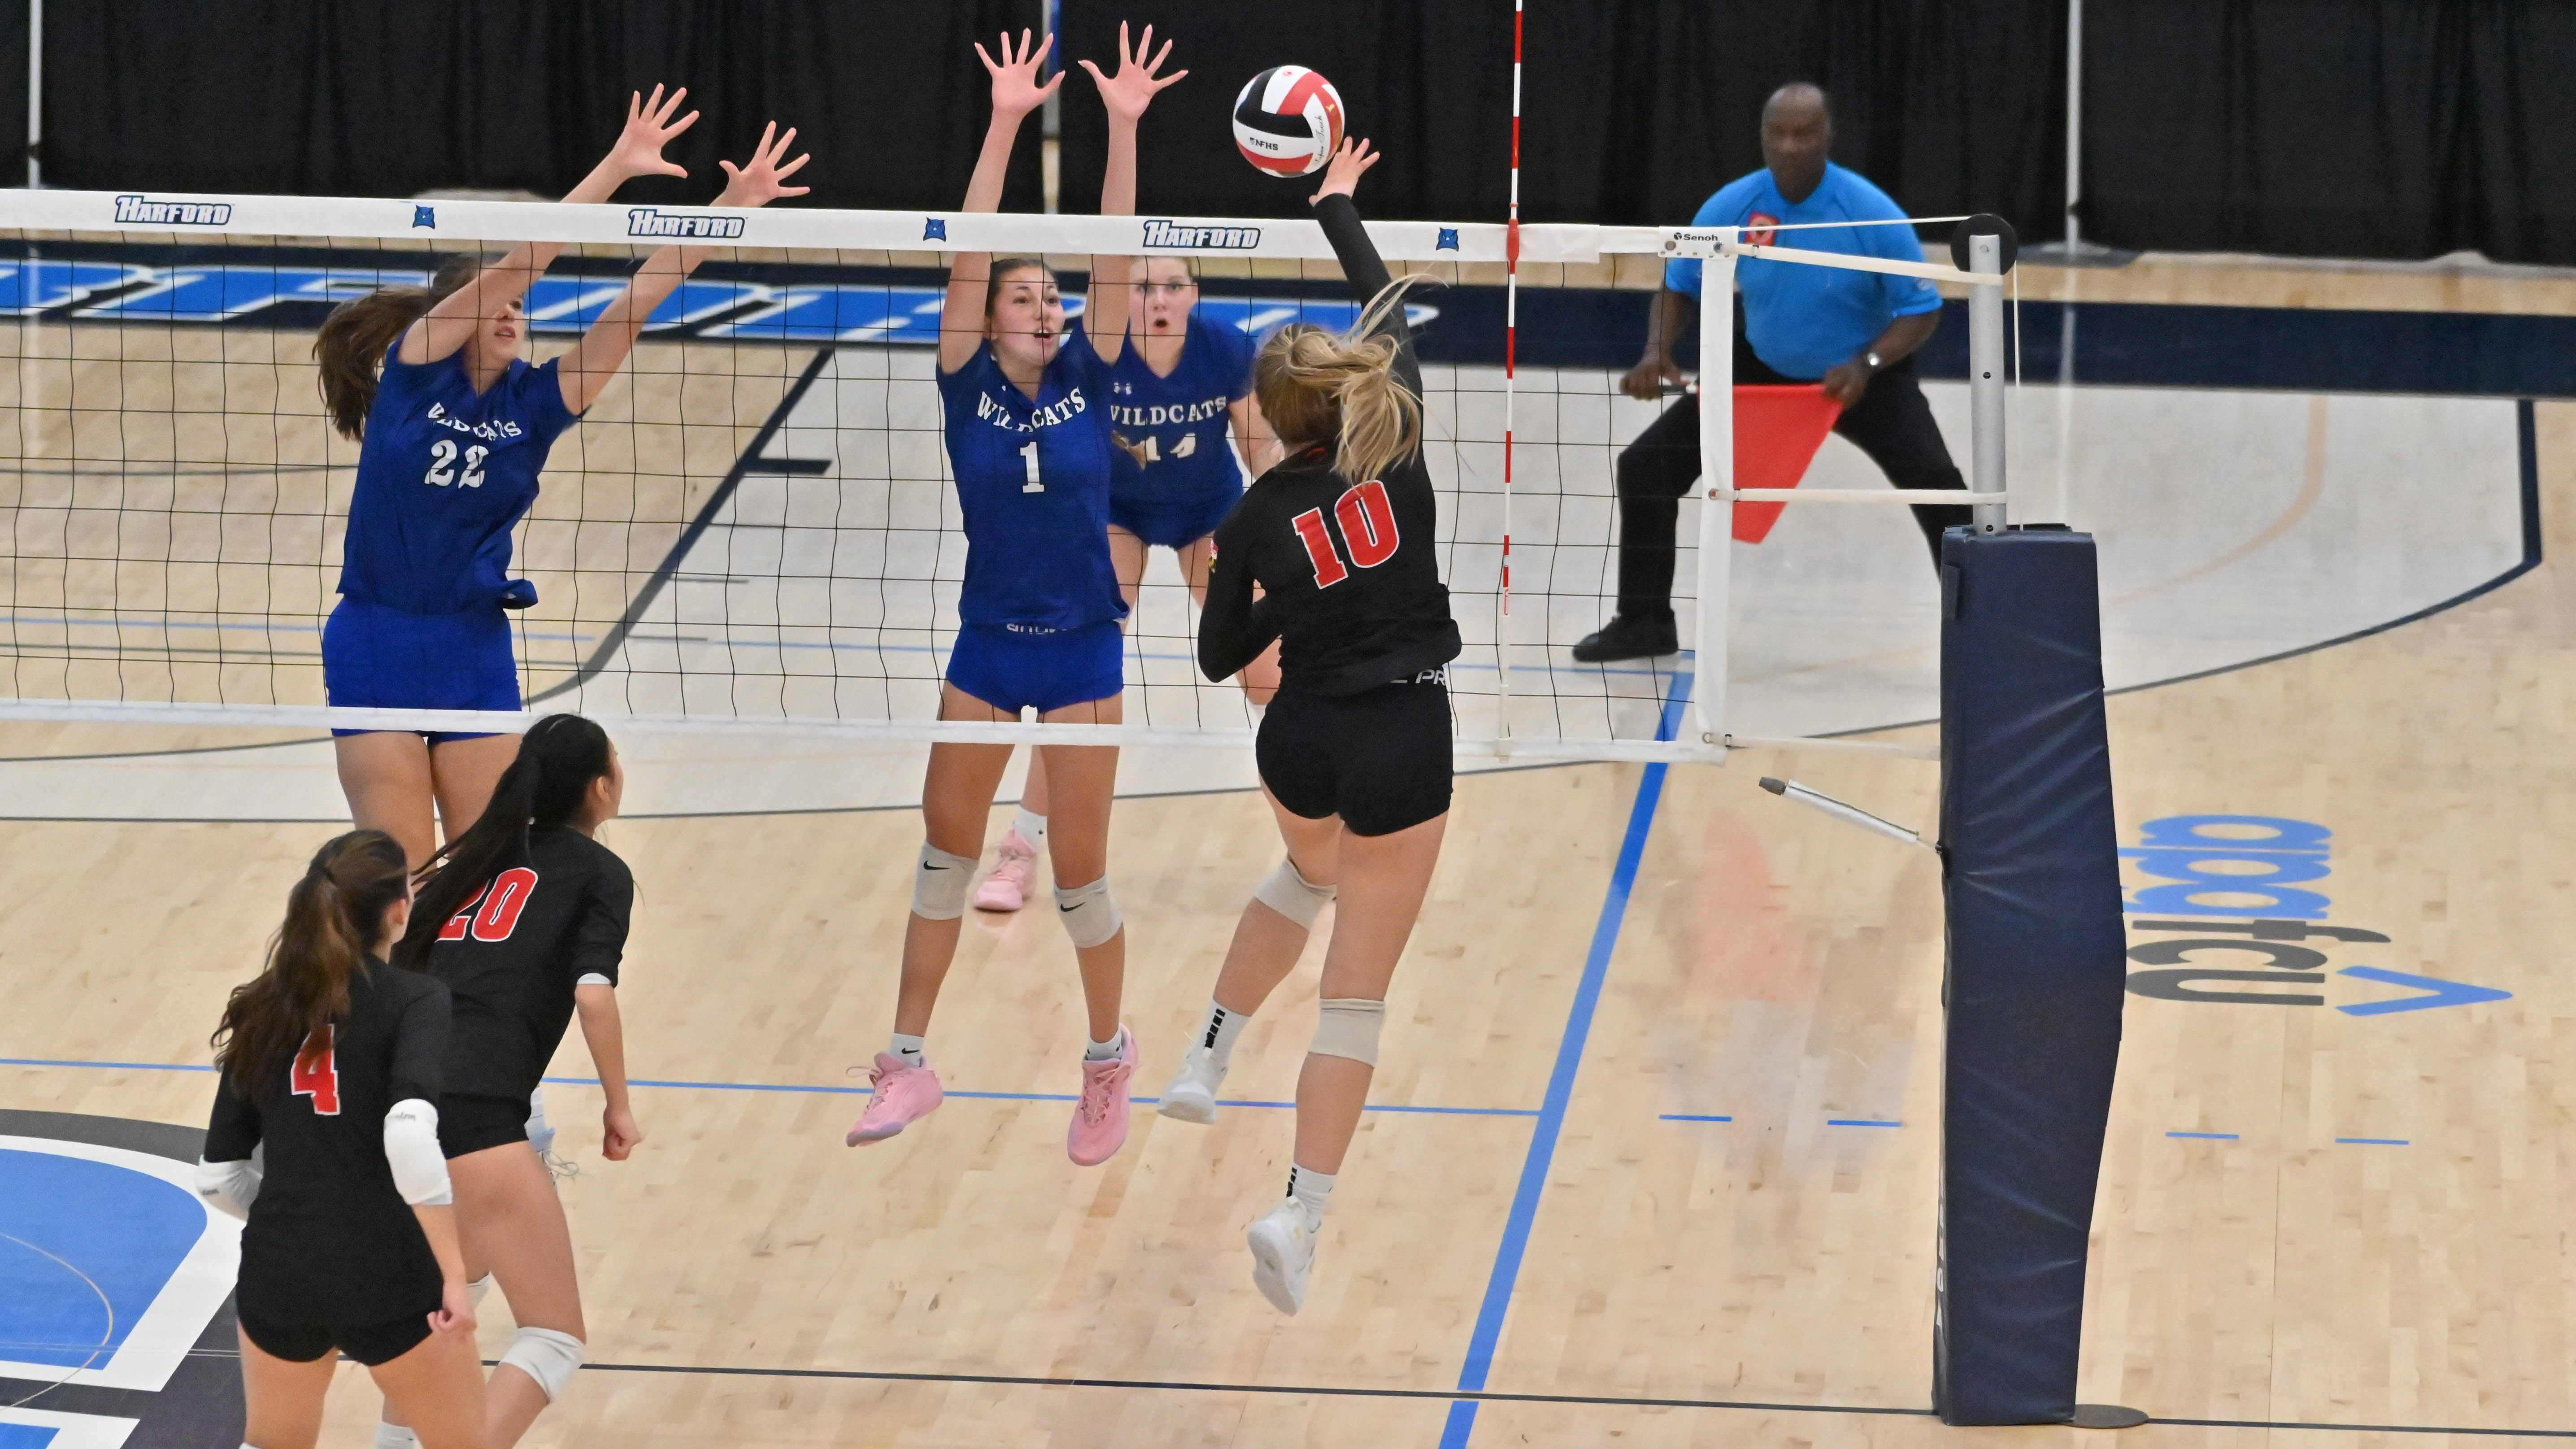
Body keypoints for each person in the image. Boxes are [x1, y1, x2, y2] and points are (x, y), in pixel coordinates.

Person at [841, 24, 1179, 1166]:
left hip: (1082, 649)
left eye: (1052, 298)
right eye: (1019, 297)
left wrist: (1122, 128)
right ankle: (906, 1060)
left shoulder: (1092, 373)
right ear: (989, 318)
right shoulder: (959, 380)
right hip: (986, 647)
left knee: (1080, 883)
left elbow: (1119, 258)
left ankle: (1107, 1060)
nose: (1039, 308)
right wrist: (1001, 121)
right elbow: (970, 251)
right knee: (942, 858)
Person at [316, 87, 809, 868]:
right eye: (501, 306)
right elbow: (525, 261)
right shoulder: (416, 368)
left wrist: (731, 205)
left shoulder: (538, 404)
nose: (516, 314)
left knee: (485, 873)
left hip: (472, 645)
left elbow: (636, 305)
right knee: (398, 879)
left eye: (524, 310)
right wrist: (616, 166)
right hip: (376, 634)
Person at [1174, 138, 1460, 1315]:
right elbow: (1387, 306)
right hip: (1400, 738)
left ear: (1267, 415)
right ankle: (1301, 1212)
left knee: (1306, 869)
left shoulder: (1252, 515)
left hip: (1297, 736)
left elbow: (1214, 657)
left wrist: (1276, 612)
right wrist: (1338, 202)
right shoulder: (1397, 446)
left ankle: (1209, 1048)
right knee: (1354, 998)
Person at [1572, 82, 1967, 663]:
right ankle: (1643, 623)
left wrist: (1869, 362)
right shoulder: (1733, 205)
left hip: (1861, 373)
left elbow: (1921, 309)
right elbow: (1678, 286)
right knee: (1646, 468)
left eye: (1803, 133)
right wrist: (1656, 350)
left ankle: (1981, 626)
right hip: (1763, 365)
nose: (1789, 146)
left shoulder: (1868, 212)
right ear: (1762, 138)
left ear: (1827, 136)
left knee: (1941, 487)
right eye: (1777, 133)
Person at [971, 253, 1282, 913]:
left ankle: (1318, 837)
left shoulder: (1224, 347)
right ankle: (1021, 849)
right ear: (1116, 296)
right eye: (1143, 287)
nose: (1160, 300)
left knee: (1270, 674)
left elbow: (1258, 447)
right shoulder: (1093, 352)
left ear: (1194, 294)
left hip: (1209, 516)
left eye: (1174, 286)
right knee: (1079, 676)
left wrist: (1298, 484)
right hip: (1116, 515)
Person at [370, 714, 636, 1449]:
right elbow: (592, 994)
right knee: (554, 1338)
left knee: (455, 1298)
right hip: (474, 1113)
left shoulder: (461, 864)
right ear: (601, 788)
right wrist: (619, 1107)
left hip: (394, 1105)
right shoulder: (600, 872)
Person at [196, 831, 487, 1449]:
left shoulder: (265, 1006)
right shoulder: (415, 999)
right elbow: (409, 1135)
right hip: (389, 1270)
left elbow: (218, 1178)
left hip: (280, 1271)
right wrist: (457, 1275)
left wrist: (302, 1215)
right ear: (398, 909)